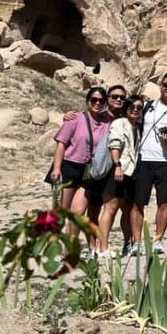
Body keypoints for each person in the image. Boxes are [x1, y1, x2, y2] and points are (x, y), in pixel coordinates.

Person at [62, 84, 132, 253]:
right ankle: (73, 249)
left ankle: (96, 248)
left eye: (122, 97)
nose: (118, 100)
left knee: (98, 211)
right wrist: (69, 116)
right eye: (114, 96)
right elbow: (85, 121)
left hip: (113, 172)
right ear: (108, 99)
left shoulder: (127, 118)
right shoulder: (100, 117)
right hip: (94, 169)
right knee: (79, 210)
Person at [49, 87, 112, 247]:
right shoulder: (75, 119)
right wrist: (56, 169)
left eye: (101, 101)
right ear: (87, 101)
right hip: (69, 166)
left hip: (88, 171)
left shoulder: (107, 122)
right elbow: (61, 144)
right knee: (61, 211)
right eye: (94, 100)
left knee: (77, 212)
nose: (97, 103)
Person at [132, 72, 167, 254]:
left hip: (166, 161)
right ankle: (136, 242)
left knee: (164, 203)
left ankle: (157, 240)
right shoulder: (147, 106)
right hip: (144, 159)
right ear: (161, 85)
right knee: (138, 202)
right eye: (166, 85)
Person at [98, 95, 143, 257]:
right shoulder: (119, 123)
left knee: (127, 209)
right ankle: (103, 248)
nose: (135, 109)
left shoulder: (136, 127)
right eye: (132, 106)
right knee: (110, 208)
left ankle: (127, 244)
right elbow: (114, 144)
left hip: (130, 173)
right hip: (118, 170)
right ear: (126, 108)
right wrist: (117, 165)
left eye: (139, 107)